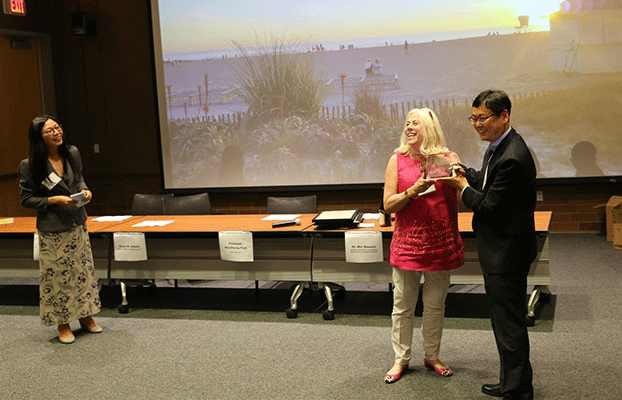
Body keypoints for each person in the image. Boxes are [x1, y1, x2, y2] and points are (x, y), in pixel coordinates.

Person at [439, 90, 536, 400]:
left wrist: (461, 187)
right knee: (506, 322)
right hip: (503, 250)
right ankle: (513, 383)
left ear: (504, 116)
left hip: (506, 253)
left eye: (483, 118)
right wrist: (465, 171)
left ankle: (517, 391)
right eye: (474, 118)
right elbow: (488, 183)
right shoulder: (500, 146)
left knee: (509, 324)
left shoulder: (512, 156)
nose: (477, 124)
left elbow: (489, 206)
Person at [382, 108, 464, 383]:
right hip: (408, 245)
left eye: (415, 123)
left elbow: (464, 203)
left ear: (429, 127)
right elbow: (388, 204)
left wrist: (459, 181)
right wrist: (412, 191)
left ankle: (432, 356)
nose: (409, 127)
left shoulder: (448, 158)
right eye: (407, 123)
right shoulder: (397, 160)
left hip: (441, 243)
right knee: (403, 307)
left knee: (435, 305)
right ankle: (400, 360)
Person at [19, 115, 102, 344]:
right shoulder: (30, 165)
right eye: (50, 131)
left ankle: (86, 317)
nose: (57, 133)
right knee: (58, 280)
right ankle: (63, 324)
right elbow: (26, 199)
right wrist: (52, 200)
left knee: (82, 274)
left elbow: (79, 180)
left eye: (58, 128)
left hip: (77, 223)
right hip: (53, 229)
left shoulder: (72, 152)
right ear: (39, 137)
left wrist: (85, 191)